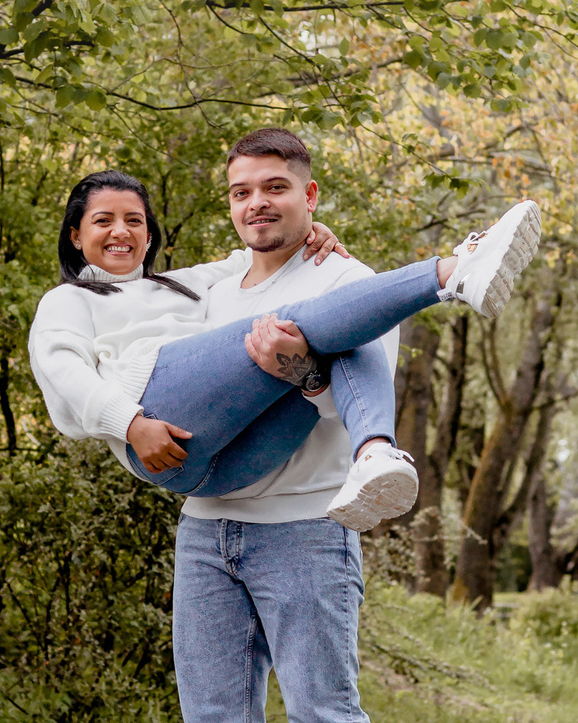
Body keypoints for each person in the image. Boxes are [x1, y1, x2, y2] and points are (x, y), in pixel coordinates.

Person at [28, 127, 541, 723]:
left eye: (275, 189)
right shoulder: (208, 286)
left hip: (304, 521)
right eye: (241, 193)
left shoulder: (341, 279)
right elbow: (71, 372)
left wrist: (307, 364)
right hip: (201, 510)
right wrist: (133, 420)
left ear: (309, 196)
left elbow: (334, 387)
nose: (257, 204)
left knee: (326, 721)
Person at [28, 165, 541, 530]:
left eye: (134, 221)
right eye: (103, 221)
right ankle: (452, 272)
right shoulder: (67, 300)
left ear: (148, 233)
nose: (121, 232)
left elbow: (252, 252)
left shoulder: (180, 284)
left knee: (333, 329)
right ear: (76, 236)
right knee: (290, 323)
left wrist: (310, 232)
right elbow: (65, 377)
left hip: (226, 469)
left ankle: (373, 453)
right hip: (155, 428)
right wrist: (130, 423)